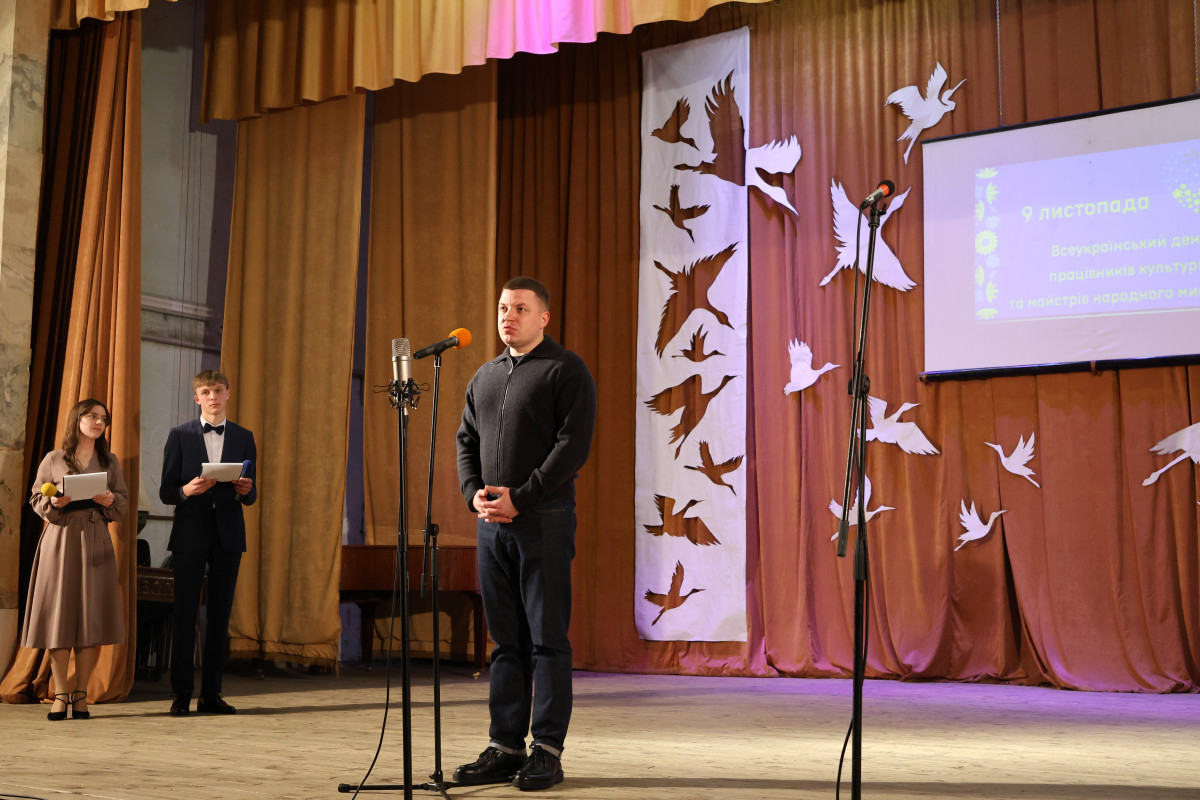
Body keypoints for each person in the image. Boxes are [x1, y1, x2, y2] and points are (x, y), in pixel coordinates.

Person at [453, 277, 597, 791]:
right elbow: (465, 440)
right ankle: (505, 745)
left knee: (546, 640)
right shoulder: (485, 375)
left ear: (543, 318)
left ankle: (547, 752)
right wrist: (473, 492)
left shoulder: (565, 369)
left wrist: (523, 496)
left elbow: (571, 447)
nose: (507, 317)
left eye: (519, 308)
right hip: (492, 527)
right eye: (502, 308)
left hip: (544, 522)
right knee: (505, 643)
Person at [23, 399, 128, 721]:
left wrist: (111, 499)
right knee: (59, 616)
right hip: (61, 539)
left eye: (103, 419)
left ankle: (81, 695)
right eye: (92, 416)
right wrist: (53, 502)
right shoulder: (54, 458)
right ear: (77, 419)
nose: (98, 422)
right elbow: (36, 497)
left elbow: (122, 503)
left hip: (95, 539)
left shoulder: (109, 461)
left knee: (88, 617)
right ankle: (60, 694)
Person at [160, 369, 257, 716]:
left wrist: (246, 490)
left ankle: (211, 694)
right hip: (190, 532)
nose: (212, 396)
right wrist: (187, 490)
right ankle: (181, 694)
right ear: (197, 398)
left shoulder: (244, 437)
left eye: (218, 390)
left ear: (228, 393)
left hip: (228, 534)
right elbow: (166, 491)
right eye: (206, 392)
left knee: (219, 616)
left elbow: (251, 493)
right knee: (185, 613)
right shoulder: (180, 435)